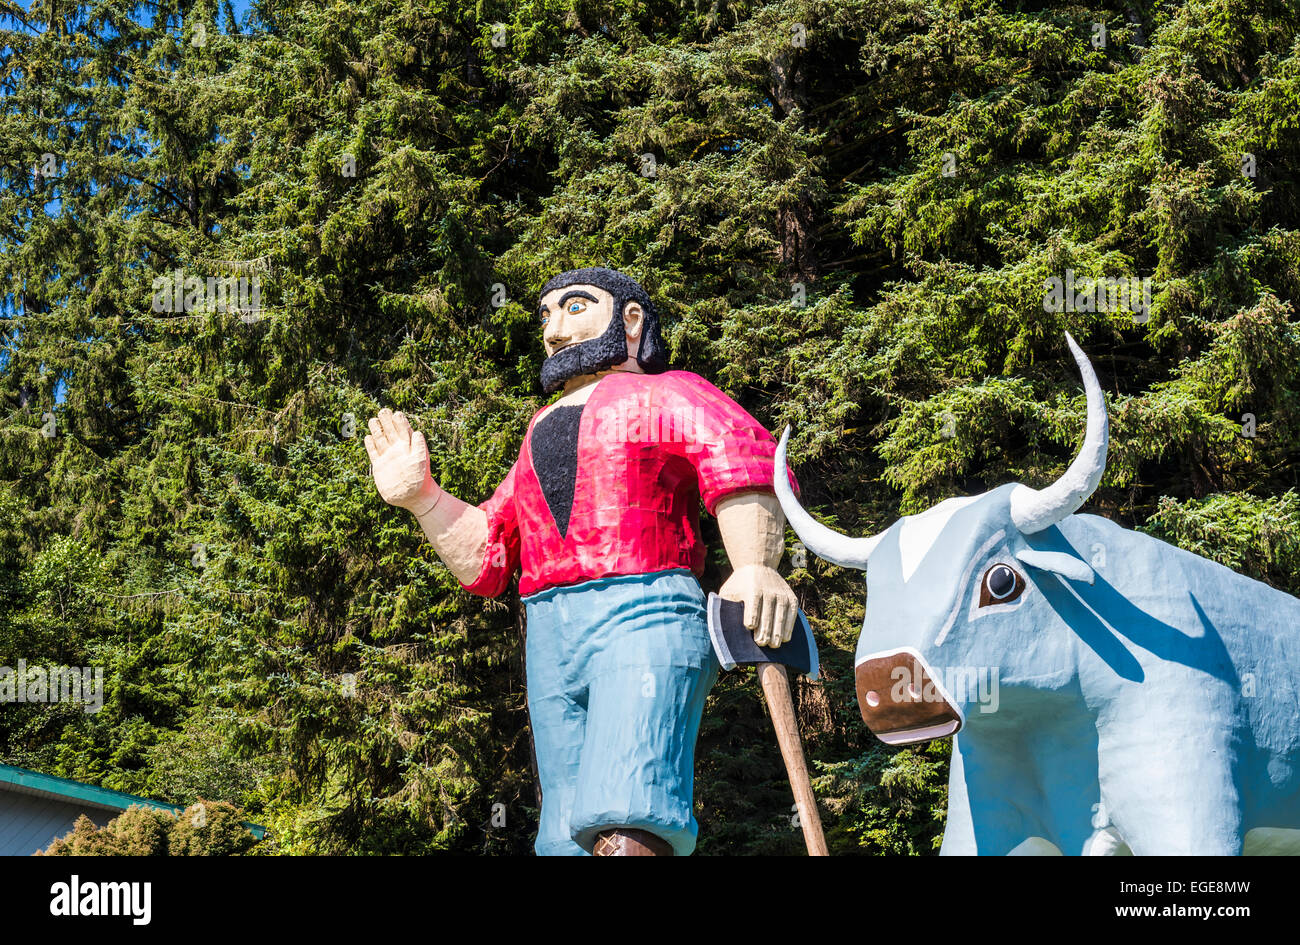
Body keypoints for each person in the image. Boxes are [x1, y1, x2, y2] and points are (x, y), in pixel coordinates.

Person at [365, 267, 798, 855]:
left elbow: (739, 458)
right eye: (545, 315)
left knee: (629, 807)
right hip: (549, 631)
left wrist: (752, 563)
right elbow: (489, 557)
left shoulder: (668, 391)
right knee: (562, 833)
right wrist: (424, 499)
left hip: (645, 609)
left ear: (631, 319)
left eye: (573, 307)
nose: (552, 330)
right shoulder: (539, 428)